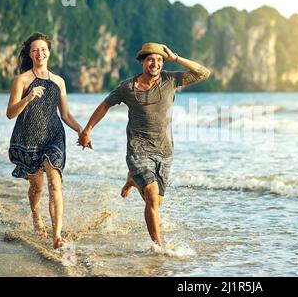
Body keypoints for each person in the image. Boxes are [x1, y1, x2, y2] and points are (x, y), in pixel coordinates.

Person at [78, 43, 210, 246]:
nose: (155, 63)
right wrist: (87, 130)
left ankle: (133, 179)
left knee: (156, 201)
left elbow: (203, 73)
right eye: (150, 59)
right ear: (142, 62)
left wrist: (175, 58)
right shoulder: (127, 87)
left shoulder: (170, 79)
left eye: (159, 60)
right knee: (151, 194)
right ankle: (158, 246)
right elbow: (105, 105)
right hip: (138, 148)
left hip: (165, 150)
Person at [6, 32, 83, 249]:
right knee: (37, 187)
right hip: (28, 138)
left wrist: (81, 131)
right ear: (29, 54)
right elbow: (10, 113)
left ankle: (57, 235)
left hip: (54, 136)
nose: (39, 53)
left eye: (43, 49)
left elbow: (65, 114)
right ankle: (36, 216)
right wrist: (28, 97)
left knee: (54, 181)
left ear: (49, 52)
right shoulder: (22, 80)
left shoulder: (59, 81)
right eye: (34, 50)